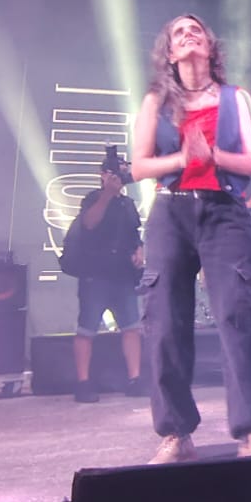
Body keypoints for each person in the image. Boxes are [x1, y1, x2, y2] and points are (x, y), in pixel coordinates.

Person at [131, 13, 251, 462]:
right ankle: (176, 433)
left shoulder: (236, 98)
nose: (188, 34)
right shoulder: (156, 100)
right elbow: (139, 166)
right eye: (179, 32)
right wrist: (183, 157)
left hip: (224, 211)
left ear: (210, 48)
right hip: (171, 210)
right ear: (170, 52)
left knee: (238, 313)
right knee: (164, 321)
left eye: (195, 30)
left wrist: (211, 155)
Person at [61, 151, 146, 403]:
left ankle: (135, 378)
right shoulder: (92, 198)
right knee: (87, 329)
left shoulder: (128, 204)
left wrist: (138, 251)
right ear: (103, 175)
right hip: (95, 274)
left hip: (123, 274)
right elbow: (89, 223)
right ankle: (83, 382)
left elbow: (134, 233)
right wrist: (107, 195)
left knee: (131, 327)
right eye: (113, 172)